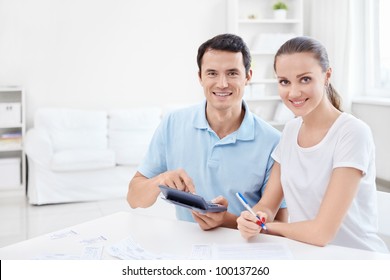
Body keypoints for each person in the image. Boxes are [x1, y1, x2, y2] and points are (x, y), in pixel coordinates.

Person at [237, 36, 389, 253]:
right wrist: (254, 218)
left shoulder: (352, 133)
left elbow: (321, 233)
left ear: (327, 76)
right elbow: (268, 205)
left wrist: (268, 227)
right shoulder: (290, 131)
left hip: (358, 260)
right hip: (308, 257)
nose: (294, 92)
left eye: (305, 79)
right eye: (284, 82)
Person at [127, 33, 288, 230]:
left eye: (232, 73)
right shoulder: (173, 123)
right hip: (186, 248)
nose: (222, 83)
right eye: (212, 73)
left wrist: (227, 220)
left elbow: (280, 225)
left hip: (244, 250)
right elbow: (134, 199)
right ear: (200, 77)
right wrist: (159, 181)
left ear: (248, 77)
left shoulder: (273, 142)